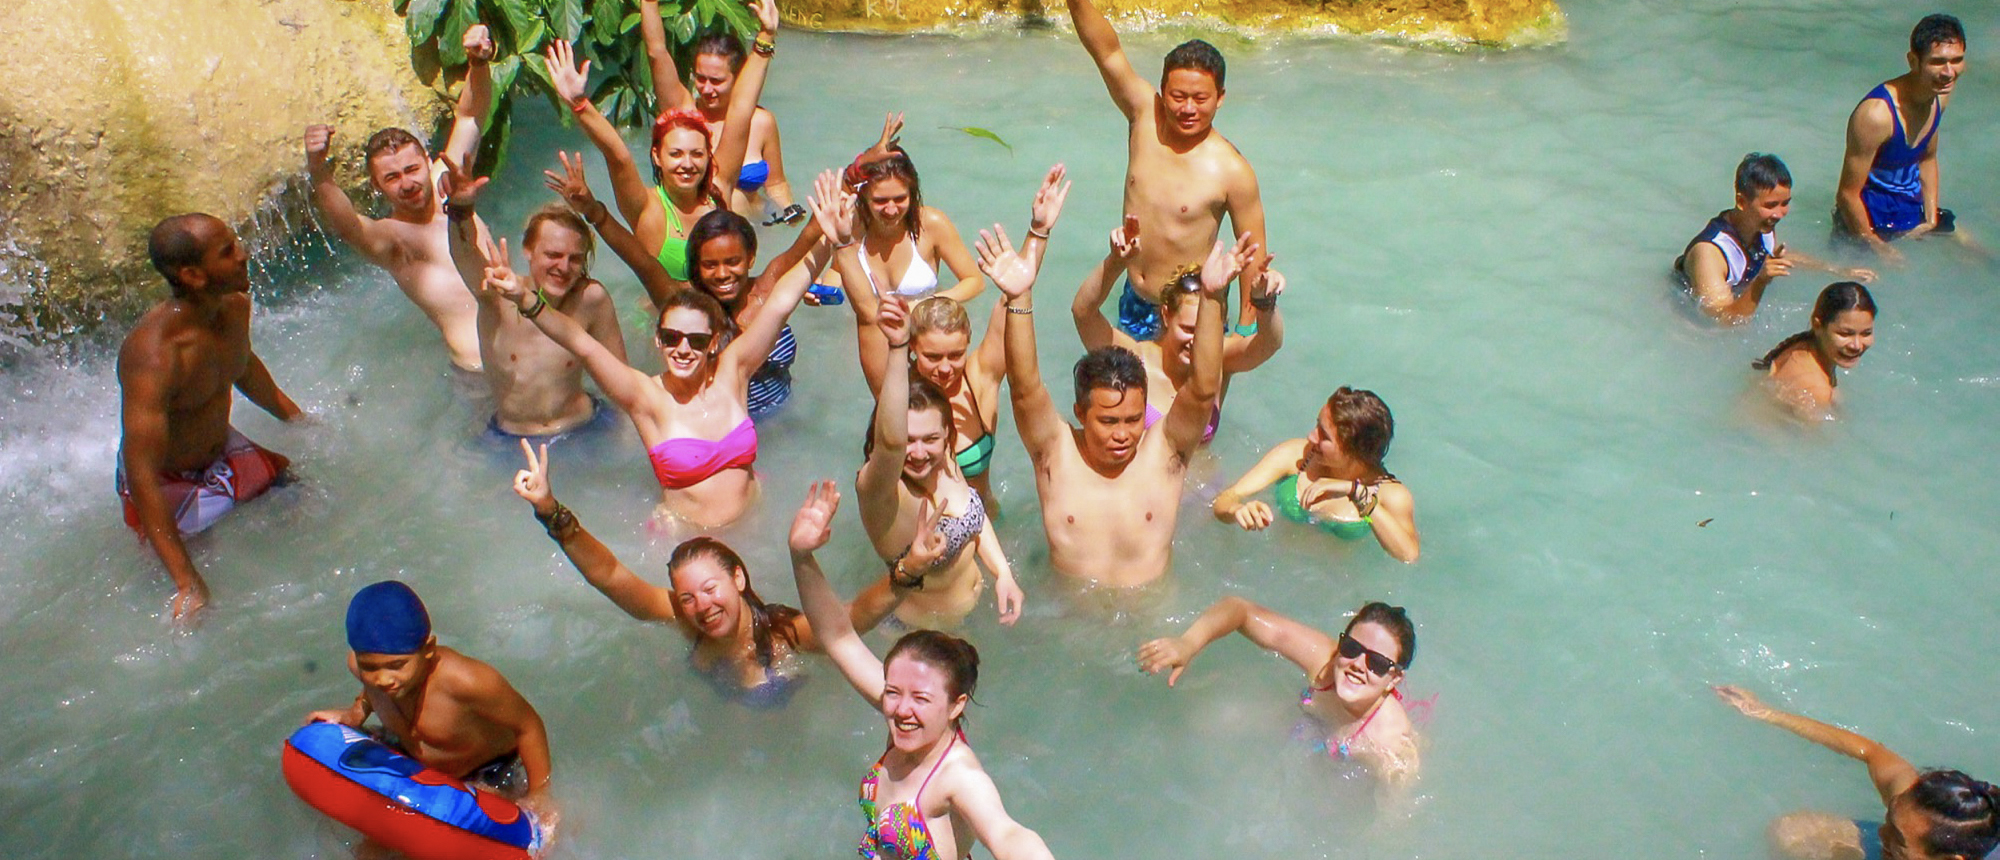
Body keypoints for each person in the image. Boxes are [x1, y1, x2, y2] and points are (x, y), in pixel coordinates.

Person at [488, 172, 834, 527]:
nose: (683, 348)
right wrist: (525, 298)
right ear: (659, 340)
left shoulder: (733, 371)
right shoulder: (644, 395)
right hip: (684, 534)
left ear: (714, 342)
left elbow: (782, 301)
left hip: (755, 520)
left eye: (696, 340)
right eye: (672, 337)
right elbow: (581, 343)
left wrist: (830, 241)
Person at [509, 441, 916, 707]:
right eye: (687, 598)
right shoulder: (688, 624)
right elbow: (610, 575)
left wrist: (908, 571)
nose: (701, 606)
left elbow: (852, 619)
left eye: (709, 589)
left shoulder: (784, 633)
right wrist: (550, 512)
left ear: (738, 579)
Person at [979, 194, 1252, 588]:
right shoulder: (1055, 451)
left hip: (1150, 624)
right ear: (1079, 412)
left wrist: (1212, 299)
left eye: (1132, 419)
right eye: (1108, 421)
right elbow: (1024, 389)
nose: (1123, 433)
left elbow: (1203, 388)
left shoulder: (1165, 451)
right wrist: (1019, 297)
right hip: (1068, 622)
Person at [788, 481, 1058, 860]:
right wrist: (801, 556)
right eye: (894, 692)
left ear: (956, 705)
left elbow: (1009, 835)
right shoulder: (902, 722)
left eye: (921, 698)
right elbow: (838, 638)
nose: (900, 709)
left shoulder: (958, 776)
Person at [118, 214, 304, 622]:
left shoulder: (235, 306)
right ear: (193, 275)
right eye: (228, 251)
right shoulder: (154, 355)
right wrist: (187, 582)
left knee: (300, 495)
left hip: (219, 449)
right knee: (202, 602)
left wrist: (298, 420)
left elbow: (241, 365)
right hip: (168, 479)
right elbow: (141, 474)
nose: (243, 255)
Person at [544, 154, 828, 419]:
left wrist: (848, 194)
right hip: (723, 426)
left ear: (751, 258)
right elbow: (641, 261)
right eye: (710, 265)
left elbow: (812, 235)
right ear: (695, 267)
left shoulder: (768, 290)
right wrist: (593, 211)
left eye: (732, 262)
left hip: (785, 416)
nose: (722, 274)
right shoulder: (687, 305)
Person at [847, 165, 1069, 503]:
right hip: (921, 541)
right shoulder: (896, 390)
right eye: (932, 357)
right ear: (911, 351)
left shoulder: (980, 379)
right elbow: (866, 313)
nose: (946, 367)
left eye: (955, 355)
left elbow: (1015, 292)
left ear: (967, 346)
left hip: (985, 528)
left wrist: (1038, 232)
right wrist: (839, 244)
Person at [1063, 0, 1266, 334]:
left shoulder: (1233, 170)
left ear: (1220, 97)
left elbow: (1252, 259)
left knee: (1189, 391)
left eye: (1200, 99)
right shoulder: (1144, 116)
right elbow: (1108, 52)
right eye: (1177, 96)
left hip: (1192, 313)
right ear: (1162, 91)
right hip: (1135, 300)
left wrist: (1244, 334)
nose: (1187, 108)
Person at [304, 24, 496, 371]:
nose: (407, 183)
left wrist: (477, 64)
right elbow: (348, 227)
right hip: (481, 373)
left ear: (427, 159)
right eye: (391, 178)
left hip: (532, 342)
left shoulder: (446, 175)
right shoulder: (392, 240)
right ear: (377, 187)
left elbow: (470, 116)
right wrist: (319, 171)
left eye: (411, 169)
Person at [542, 0, 776, 285]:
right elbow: (618, 155)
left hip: (726, 317)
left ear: (709, 158)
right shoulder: (647, 209)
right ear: (657, 157)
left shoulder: (718, 190)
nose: (687, 164)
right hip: (669, 319)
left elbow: (741, 110)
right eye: (676, 154)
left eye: (697, 154)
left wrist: (765, 37)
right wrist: (580, 104)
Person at [305, 581, 553, 825]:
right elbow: (371, 690)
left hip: (489, 772)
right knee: (373, 845)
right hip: (416, 758)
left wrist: (540, 793)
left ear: (429, 650)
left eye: (397, 665)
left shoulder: (466, 682)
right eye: (369, 667)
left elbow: (528, 725)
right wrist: (355, 713)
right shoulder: (363, 669)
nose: (382, 680)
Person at [856, 292, 1024, 628]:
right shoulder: (879, 487)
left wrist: (1003, 572)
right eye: (908, 441)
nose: (918, 452)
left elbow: (974, 512)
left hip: (974, 611)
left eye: (931, 439)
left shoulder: (942, 454)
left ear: (945, 434)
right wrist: (897, 347)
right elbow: (890, 443)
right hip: (924, 631)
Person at [441, 160, 625, 443]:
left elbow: (622, 381)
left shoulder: (591, 299)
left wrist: (629, 438)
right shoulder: (498, 295)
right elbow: (464, 253)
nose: (563, 267)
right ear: (528, 250)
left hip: (584, 428)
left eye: (574, 259)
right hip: (512, 437)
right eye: (552, 255)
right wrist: (460, 210)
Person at [1139, 600, 1419, 781]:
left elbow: (1393, 824)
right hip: (1298, 727)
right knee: (1208, 720)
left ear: (1394, 679)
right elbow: (1241, 611)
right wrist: (1188, 643)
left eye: (1378, 663)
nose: (1358, 664)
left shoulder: (1391, 742)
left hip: (1331, 777)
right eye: (1352, 648)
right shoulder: (1324, 662)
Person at [1715, 685, 2000, 860]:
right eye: (1890, 818)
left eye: (1897, 837)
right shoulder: (1921, 808)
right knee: (1792, 831)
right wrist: (1764, 712)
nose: (1880, 831)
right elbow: (1870, 752)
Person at [1073, 215, 1284, 443]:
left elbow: (1268, 344)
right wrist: (1115, 262)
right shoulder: (1134, 359)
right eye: (1187, 328)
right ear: (1166, 315)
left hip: (1205, 477)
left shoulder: (1220, 360)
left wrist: (1264, 302)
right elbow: (1084, 313)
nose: (1196, 340)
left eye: (1206, 330)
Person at [638, 0, 802, 225]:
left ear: (738, 79)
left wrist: (788, 210)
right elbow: (656, 54)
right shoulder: (684, 116)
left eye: (716, 81)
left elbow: (776, 184)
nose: (706, 89)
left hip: (756, 224)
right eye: (700, 78)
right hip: (702, 226)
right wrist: (648, 3)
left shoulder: (761, 121)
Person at [1211, 387, 1420, 562]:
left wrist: (1357, 493)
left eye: (1325, 436)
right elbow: (1225, 499)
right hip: (1275, 563)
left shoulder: (1389, 494)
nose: (1311, 436)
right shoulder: (1297, 456)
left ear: (1355, 453)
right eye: (1317, 424)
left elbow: (1408, 556)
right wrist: (1237, 509)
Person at [1676, 153, 1875, 325]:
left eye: (1785, 203)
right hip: (1688, 320)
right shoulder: (1710, 253)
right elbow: (1721, 321)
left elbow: (1776, 256)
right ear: (1741, 201)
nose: (1779, 214)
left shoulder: (1762, 226)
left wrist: (1835, 270)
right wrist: (1761, 281)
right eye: (1770, 205)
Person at [1835, 14, 1968, 264]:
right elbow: (1846, 195)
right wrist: (1876, 245)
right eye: (1938, 62)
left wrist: (1931, 218)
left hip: (1909, 213)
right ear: (1913, 61)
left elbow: (1927, 158)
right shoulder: (1876, 115)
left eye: (1957, 60)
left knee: (1978, 254)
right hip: (1869, 225)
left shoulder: (1939, 95)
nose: (1949, 72)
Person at [830, 114, 985, 305]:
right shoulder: (853, 227)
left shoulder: (930, 223)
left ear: (912, 193)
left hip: (921, 329)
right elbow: (836, 271)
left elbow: (974, 281)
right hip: (868, 332)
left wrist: (921, 306)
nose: (891, 209)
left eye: (900, 198)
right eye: (880, 200)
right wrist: (821, 291)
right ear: (864, 197)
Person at [1753, 282, 1877, 420]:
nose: (1856, 345)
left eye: (1866, 333)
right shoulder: (1816, 389)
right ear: (1817, 325)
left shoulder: (1801, 346)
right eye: (1845, 334)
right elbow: (1814, 440)